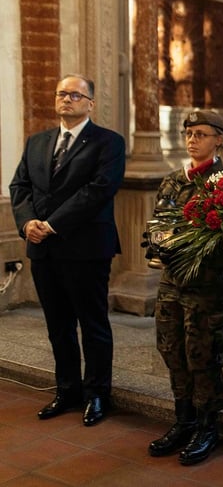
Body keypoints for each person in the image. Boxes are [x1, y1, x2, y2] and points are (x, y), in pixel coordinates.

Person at [9, 74, 126, 427]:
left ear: (91, 103)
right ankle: (67, 390)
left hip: (86, 247)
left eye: (76, 95)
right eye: (62, 93)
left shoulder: (108, 142)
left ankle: (97, 395)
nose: (67, 99)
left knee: (93, 325)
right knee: (58, 325)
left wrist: (52, 224)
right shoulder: (38, 142)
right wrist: (28, 223)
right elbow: (20, 186)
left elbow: (99, 190)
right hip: (43, 250)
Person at [145, 109, 223, 465]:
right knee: (172, 349)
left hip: (208, 286)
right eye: (188, 133)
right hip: (172, 283)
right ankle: (182, 419)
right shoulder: (172, 180)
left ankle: (207, 425)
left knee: (202, 354)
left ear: (219, 139)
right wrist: (156, 243)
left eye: (201, 133)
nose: (193, 139)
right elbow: (160, 223)